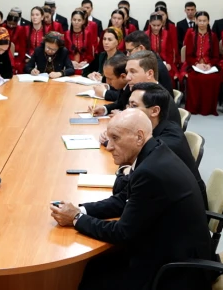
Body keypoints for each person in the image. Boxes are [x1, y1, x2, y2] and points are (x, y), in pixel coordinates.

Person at [50, 110, 211, 290]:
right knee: (95, 266)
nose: (109, 146)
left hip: (176, 270)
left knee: (94, 276)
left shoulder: (150, 171)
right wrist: (81, 209)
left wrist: (76, 218)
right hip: (167, 246)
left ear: (139, 137)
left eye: (115, 138)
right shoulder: (153, 152)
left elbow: (122, 233)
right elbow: (123, 199)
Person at [122, 83, 207, 204]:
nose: (127, 111)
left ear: (154, 111)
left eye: (134, 106)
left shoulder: (164, 144)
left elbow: (126, 187)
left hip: (181, 208)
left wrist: (123, 170)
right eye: (129, 105)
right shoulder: (158, 127)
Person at [181, 11, 223, 116]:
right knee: (194, 78)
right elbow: (188, 56)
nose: (202, 23)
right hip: (194, 65)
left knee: (213, 78)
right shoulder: (191, 35)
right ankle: (194, 107)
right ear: (196, 21)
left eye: (204, 21)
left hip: (209, 66)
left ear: (208, 21)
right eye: (199, 20)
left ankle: (208, 109)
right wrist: (196, 64)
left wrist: (209, 64)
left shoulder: (213, 36)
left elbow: (216, 56)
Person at [125, 30, 174, 95]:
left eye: (129, 51)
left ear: (141, 48)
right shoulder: (149, 59)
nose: (127, 55)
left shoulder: (156, 66)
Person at [146, 12, 179, 85]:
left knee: (168, 76)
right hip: (149, 64)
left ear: (162, 24)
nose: (156, 28)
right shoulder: (145, 35)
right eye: (154, 25)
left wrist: (169, 64)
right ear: (150, 23)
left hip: (165, 63)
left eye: (158, 25)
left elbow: (170, 53)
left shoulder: (166, 34)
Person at [4, 9, 28, 73]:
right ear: (7, 21)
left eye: (13, 24)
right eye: (9, 23)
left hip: (17, 57)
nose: (11, 25)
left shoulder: (21, 29)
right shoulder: (2, 27)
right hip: (4, 55)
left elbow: (23, 46)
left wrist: (20, 61)